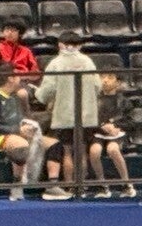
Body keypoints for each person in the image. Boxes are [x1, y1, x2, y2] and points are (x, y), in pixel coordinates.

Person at [0, 67, 70, 200]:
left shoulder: (17, 97)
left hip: (21, 132)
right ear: (10, 78)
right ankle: (17, 184)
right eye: (17, 76)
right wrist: (17, 130)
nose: (21, 79)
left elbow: (24, 117)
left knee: (54, 144)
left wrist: (29, 127)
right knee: (21, 145)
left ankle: (52, 184)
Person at [35, 33, 99, 188]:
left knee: (67, 151)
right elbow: (98, 86)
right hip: (86, 116)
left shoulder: (56, 63)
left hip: (65, 116)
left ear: (60, 44)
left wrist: (38, 95)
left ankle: (70, 186)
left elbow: (48, 90)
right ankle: (82, 186)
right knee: (81, 151)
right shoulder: (87, 61)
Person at [89, 71, 134, 197]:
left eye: (110, 77)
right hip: (98, 133)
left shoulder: (124, 101)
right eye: (102, 77)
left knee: (112, 149)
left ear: (118, 82)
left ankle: (126, 184)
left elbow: (131, 123)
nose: (105, 80)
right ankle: (102, 184)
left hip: (117, 134)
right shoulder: (94, 100)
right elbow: (89, 120)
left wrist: (116, 126)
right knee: (94, 151)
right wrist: (102, 126)